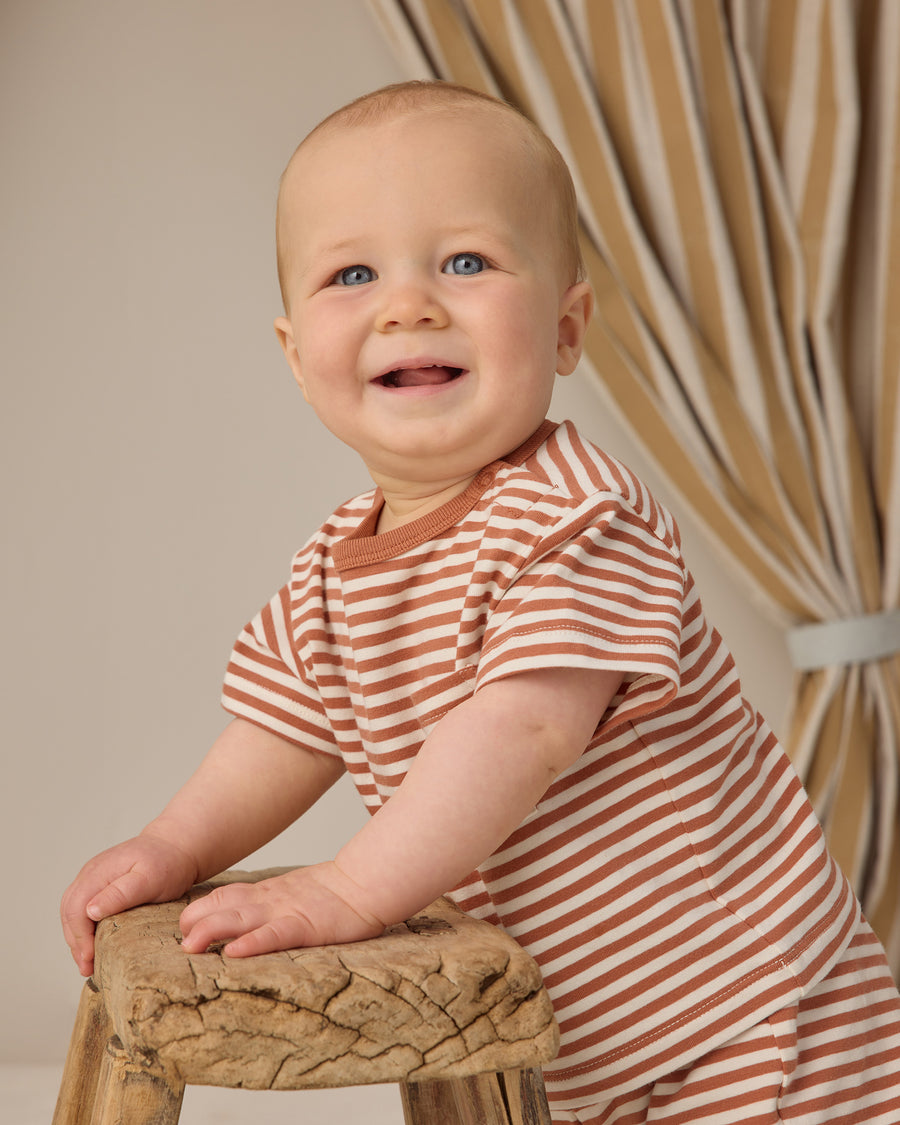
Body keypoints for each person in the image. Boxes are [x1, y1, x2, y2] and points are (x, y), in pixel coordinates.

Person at [61, 81, 900, 1122]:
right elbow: (283, 729)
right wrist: (174, 846)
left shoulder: (578, 516)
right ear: (295, 358)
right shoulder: (333, 567)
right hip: (582, 1040)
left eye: (466, 262)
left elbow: (526, 726)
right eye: (352, 272)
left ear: (564, 327)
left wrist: (348, 890)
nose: (407, 303)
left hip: (747, 1016)